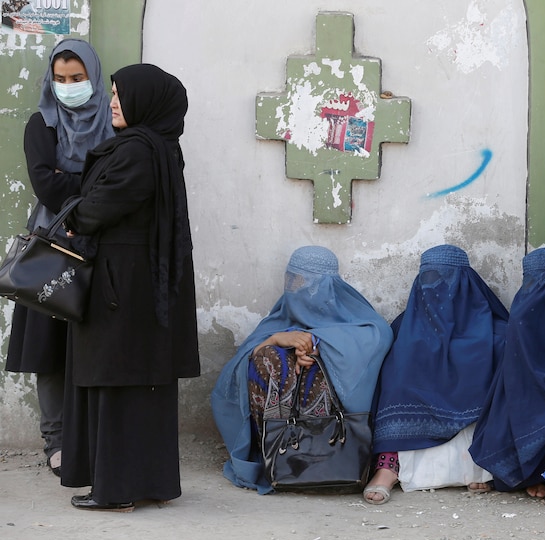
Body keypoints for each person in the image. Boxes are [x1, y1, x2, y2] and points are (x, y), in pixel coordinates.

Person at [60, 63, 200, 511]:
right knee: (139, 382)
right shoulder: (160, 147)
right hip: (138, 283)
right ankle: (146, 484)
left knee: (115, 378)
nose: (113, 101)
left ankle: (116, 490)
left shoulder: (138, 150)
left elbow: (103, 206)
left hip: (118, 285)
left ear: (147, 101)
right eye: (114, 93)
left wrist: (74, 214)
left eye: (121, 94)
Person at [4, 39, 114, 478]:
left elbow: (121, 179)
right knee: (48, 348)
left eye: (78, 78)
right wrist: (93, 184)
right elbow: (45, 185)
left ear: (94, 76)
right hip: (52, 246)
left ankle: (93, 436)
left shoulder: (115, 121)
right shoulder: (41, 124)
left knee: (97, 342)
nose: (69, 87)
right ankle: (56, 439)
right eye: (61, 79)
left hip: (104, 246)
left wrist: (76, 179)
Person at [211, 245, 393, 494]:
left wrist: (317, 344)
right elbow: (243, 361)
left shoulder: (359, 320)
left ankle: (326, 462)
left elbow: (378, 335)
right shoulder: (280, 319)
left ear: (324, 285)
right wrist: (277, 340)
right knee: (266, 357)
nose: (293, 288)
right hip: (283, 437)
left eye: (300, 281)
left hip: (335, 436)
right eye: (290, 279)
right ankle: (277, 460)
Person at [363, 244, 509, 504]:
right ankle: (388, 468)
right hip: (417, 405)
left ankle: (479, 467)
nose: (435, 288)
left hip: (472, 419)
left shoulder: (495, 331)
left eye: (446, 279)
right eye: (428, 279)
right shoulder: (406, 325)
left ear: (466, 282)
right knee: (398, 373)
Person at [468, 246, 545, 499]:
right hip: (527, 392)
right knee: (516, 405)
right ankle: (533, 476)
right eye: (532, 280)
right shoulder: (522, 314)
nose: (538, 289)